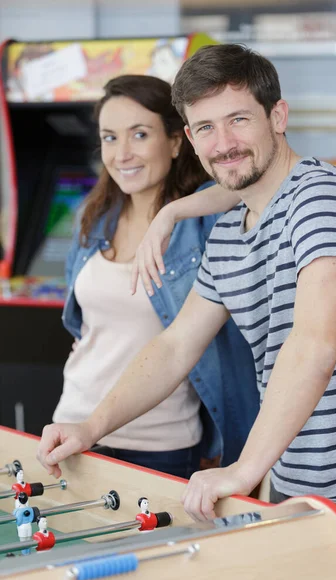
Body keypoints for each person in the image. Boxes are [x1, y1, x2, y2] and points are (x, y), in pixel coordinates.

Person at [37, 46, 336, 580]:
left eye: (238, 119)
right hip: (300, 488)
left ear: (278, 116)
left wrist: (242, 469)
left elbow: (313, 344)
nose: (223, 142)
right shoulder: (233, 228)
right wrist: (91, 427)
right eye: (205, 126)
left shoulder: (324, 202)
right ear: (190, 135)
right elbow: (176, 344)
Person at [49, 73, 259, 480]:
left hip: (160, 443)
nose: (122, 153)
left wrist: (172, 212)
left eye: (139, 135)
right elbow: (85, 330)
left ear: (178, 141)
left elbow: (262, 180)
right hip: (74, 427)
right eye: (109, 138)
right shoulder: (91, 220)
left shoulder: (207, 221)